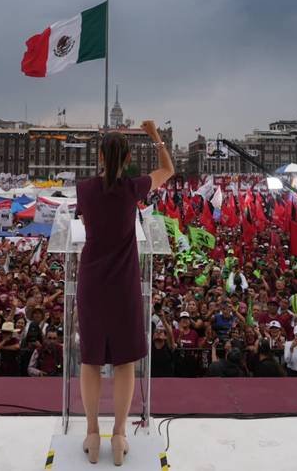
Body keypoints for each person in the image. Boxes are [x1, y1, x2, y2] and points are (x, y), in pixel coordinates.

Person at [76, 121, 173, 466]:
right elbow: (168, 170)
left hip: (91, 283)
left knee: (90, 359)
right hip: (123, 285)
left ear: (100, 156)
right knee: (124, 362)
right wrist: (156, 137)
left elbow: (88, 224)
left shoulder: (84, 190)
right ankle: (118, 434)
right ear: (130, 157)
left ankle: (91, 432)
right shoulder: (134, 188)